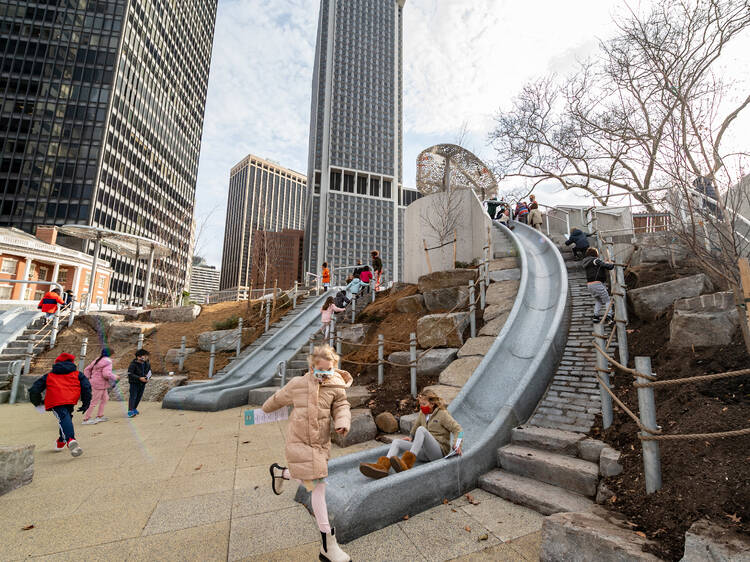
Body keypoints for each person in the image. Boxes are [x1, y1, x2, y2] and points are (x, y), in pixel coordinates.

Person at [264, 344, 352, 562]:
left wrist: (342, 422)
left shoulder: (336, 386)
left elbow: (341, 406)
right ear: (312, 368)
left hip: (320, 443)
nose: (324, 375)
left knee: (309, 478)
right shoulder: (298, 384)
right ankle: (328, 545)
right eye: (320, 371)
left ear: (334, 368)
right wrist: (263, 410)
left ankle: (280, 473)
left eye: (328, 370)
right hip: (299, 441)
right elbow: (278, 399)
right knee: (318, 486)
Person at [359, 389, 464, 479]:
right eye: (420, 404)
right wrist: (410, 437)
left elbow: (458, 429)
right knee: (396, 442)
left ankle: (407, 463)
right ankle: (382, 467)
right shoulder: (423, 413)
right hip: (424, 452)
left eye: (424, 404)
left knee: (422, 430)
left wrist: (457, 444)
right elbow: (415, 426)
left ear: (432, 404)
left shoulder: (442, 414)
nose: (421, 407)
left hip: (438, 453)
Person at [28, 352, 91, 457]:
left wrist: (37, 403)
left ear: (57, 363)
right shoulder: (78, 374)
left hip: (55, 401)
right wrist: (86, 403)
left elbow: (34, 390)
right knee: (66, 418)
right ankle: (61, 441)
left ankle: (70, 439)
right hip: (70, 400)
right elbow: (86, 388)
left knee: (64, 418)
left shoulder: (49, 375)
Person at [82, 347, 119, 424]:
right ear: (111, 354)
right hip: (99, 384)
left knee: (105, 398)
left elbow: (86, 369)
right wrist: (115, 377)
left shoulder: (98, 359)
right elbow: (106, 374)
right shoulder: (108, 362)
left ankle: (99, 416)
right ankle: (86, 419)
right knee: (94, 401)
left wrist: (89, 378)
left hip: (99, 383)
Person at [582, 248, 615, 324]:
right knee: (607, 300)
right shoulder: (595, 260)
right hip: (597, 283)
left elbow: (600, 265)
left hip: (590, 285)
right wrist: (612, 265)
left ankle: (596, 317)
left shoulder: (587, 262)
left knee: (598, 300)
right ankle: (609, 316)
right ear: (595, 254)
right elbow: (606, 266)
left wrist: (604, 262)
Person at [127, 349, 151, 418]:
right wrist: (139, 378)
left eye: (147, 356)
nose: (146, 358)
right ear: (138, 357)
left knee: (139, 396)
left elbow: (149, 372)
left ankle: (134, 408)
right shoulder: (133, 364)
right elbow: (130, 374)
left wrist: (148, 378)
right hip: (134, 383)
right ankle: (130, 411)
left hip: (142, 383)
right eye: (145, 356)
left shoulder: (147, 363)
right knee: (133, 396)